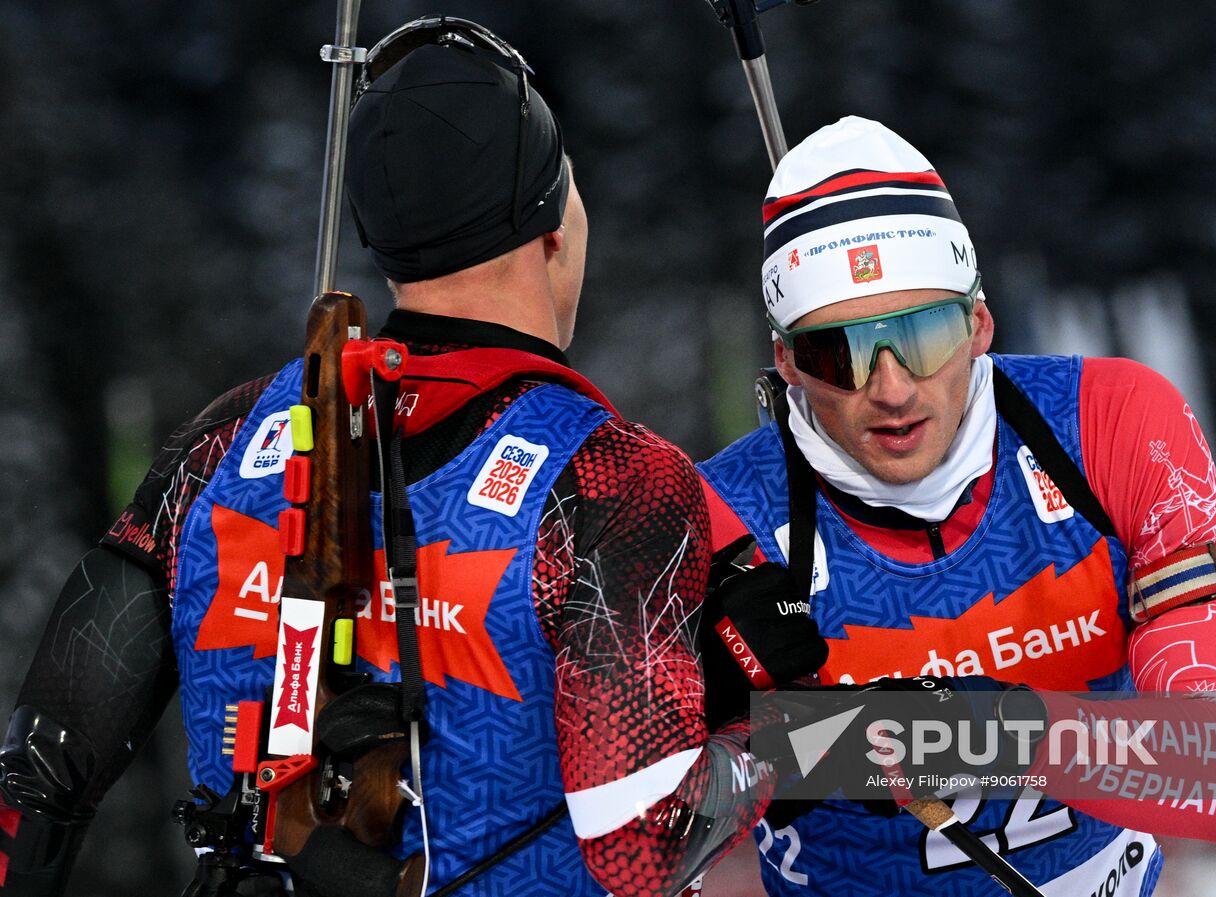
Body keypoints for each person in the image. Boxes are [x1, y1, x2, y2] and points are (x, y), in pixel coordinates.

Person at [0, 18, 773, 897]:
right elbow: (643, 844)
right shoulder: (606, 477)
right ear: (554, 224)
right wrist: (778, 726)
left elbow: (39, 771)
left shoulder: (226, 440)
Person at [696, 116, 1216, 897]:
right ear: (785, 360)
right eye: (839, 353)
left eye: (925, 335)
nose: (893, 387)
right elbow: (628, 843)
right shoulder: (713, 519)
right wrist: (712, 730)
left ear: (979, 322)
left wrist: (976, 731)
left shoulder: (1108, 425)